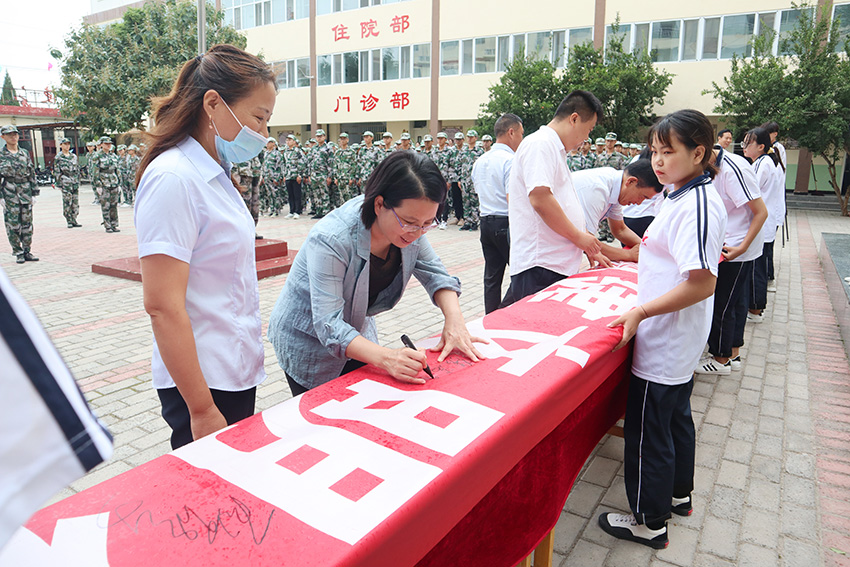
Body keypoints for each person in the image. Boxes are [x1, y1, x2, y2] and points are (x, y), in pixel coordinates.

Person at [133, 44, 274, 449]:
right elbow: (162, 305)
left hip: (232, 368)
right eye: (258, 118)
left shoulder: (215, 172)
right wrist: (200, 409)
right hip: (203, 381)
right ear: (213, 104)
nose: (262, 134)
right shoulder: (174, 178)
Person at [600, 109, 727, 549]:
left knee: (649, 429)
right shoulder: (678, 193)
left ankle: (649, 521)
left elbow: (702, 281)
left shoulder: (696, 203)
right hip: (672, 333)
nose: (657, 161)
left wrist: (641, 312)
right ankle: (677, 495)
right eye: (654, 151)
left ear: (699, 152)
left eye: (668, 152)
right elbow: (660, 254)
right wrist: (616, 255)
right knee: (674, 419)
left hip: (667, 335)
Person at [268, 151, 485, 395]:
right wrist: (388, 358)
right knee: (326, 415)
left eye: (428, 223)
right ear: (379, 204)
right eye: (410, 222)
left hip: (356, 332)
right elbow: (328, 324)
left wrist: (455, 322)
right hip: (309, 340)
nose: (417, 233)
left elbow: (436, 274)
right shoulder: (332, 238)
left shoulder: (410, 229)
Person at [503, 90, 604, 305]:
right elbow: (540, 199)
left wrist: (586, 244)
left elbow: (562, 204)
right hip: (541, 267)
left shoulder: (555, 149)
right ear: (574, 119)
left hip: (552, 266)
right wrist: (579, 238)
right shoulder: (541, 144)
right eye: (589, 129)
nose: (587, 138)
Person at [694, 137, 768, 376]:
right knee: (735, 302)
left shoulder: (733, 168)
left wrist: (742, 248)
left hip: (735, 248)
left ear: (700, 150)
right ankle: (733, 353)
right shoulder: (708, 167)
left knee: (722, 304)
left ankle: (720, 358)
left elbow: (760, 212)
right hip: (727, 244)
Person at [471, 113, 524, 313]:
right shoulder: (511, 161)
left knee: (492, 277)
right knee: (521, 273)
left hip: (485, 222)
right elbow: (513, 199)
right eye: (520, 133)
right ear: (511, 132)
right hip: (506, 223)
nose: (521, 139)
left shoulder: (480, 161)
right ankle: (503, 311)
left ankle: (490, 316)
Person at [572, 160, 664, 264]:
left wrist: (646, 248)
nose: (639, 203)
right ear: (631, 182)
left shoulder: (617, 185)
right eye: (642, 196)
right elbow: (587, 242)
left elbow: (620, 229)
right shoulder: (597, 190)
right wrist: (629, 255)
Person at [745, 127, 784, 324]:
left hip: (761, 223)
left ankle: (755, 309)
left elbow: (751, 191)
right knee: (758, 266)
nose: (744, 147)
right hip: (765, 222)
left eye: (748, 143)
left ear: (761, 146)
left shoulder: (763, 164)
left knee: (756, 269)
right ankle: (756, 308)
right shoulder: (764, 161)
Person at [0, 125, 38, 263]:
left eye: (15, 134)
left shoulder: (24, 153)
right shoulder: (1, 156)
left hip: (25, 192)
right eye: (9, 135)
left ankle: (27, 251)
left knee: (27, 224)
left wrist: (34, 192)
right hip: (9, 193)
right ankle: (18, 251)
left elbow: (32, 173)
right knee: (13, 225)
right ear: (3, 137)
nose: (13, 137)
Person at [759, 120, 786, 293]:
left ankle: (769, 276)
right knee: (766, 246)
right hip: (769, 207)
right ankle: (768, 275)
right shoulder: (765, 158)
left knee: (767, 248)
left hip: (771, 207)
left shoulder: (775, 153)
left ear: (775, 134)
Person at [93, 136, 121, 233]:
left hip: (114, 182)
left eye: (109, 144)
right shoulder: (97, 156)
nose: (108, 145)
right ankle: (107, 225)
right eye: (106, 144)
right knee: (106, 206)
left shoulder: (113, 156)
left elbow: (117, 170)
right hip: (104, 183)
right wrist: (98, 185)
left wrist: (119, 183)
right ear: (101, 144)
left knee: (114, 205)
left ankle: (114, 224)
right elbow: (95, 171)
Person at [459, 129, 484, 231]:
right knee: (466, 202)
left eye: (471, 137)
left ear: (476, 138)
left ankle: (474, 221)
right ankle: (467, 221)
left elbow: (482, 166)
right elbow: (459, 165)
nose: (469, 139)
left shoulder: (479, 151)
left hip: (474, 180)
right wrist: (459, 179)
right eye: (468, 137)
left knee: (474, 201)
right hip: (464, 180)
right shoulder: (464, 150)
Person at [54, 137, 82, 228]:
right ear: (61, 145)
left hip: (74, 182)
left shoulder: (73, 156)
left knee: (75, 201)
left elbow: (77, 169)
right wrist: (58, 183)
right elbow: (57, 171)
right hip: (65, 181)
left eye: (68, 144)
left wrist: (78, 180)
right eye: (65, 144)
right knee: (67, 201)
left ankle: (74, 219)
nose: (67, 146)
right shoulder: (58, 157)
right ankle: (69, 220)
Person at [282, 134, 305, 218]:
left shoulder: (298, 151)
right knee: (290, 194)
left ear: (294, 141)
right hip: (288, 175)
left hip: (296, 176)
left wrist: (300, 175)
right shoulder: (285, 152)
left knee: (297, 194)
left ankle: (297, 211)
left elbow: (302, 163)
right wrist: (284, 175)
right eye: (287, 140)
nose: (288, 141)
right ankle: (291, 211)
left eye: (290, 140)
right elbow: (284, 164)